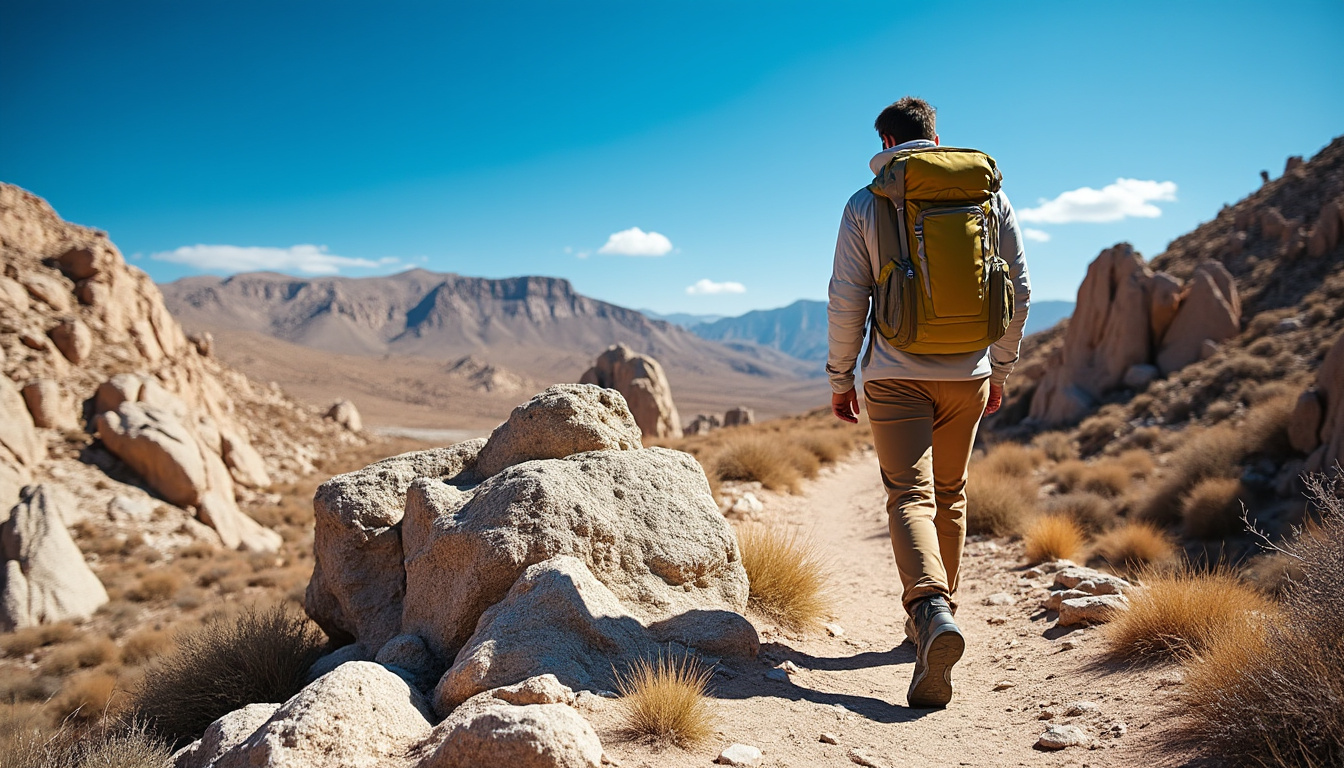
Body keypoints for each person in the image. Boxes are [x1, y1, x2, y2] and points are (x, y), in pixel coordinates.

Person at [825, 96, 1030, 708]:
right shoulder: (987, 196)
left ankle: (929, 610)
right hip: (968, 373)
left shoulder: (866, 202)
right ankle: (938, 615)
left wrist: (841, 378)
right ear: (935, 137)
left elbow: (847, 299)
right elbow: (1017, 288)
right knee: (951, 493)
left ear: (887, 141)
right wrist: (1001, 365)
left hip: (894, 376)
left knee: (907, 495)